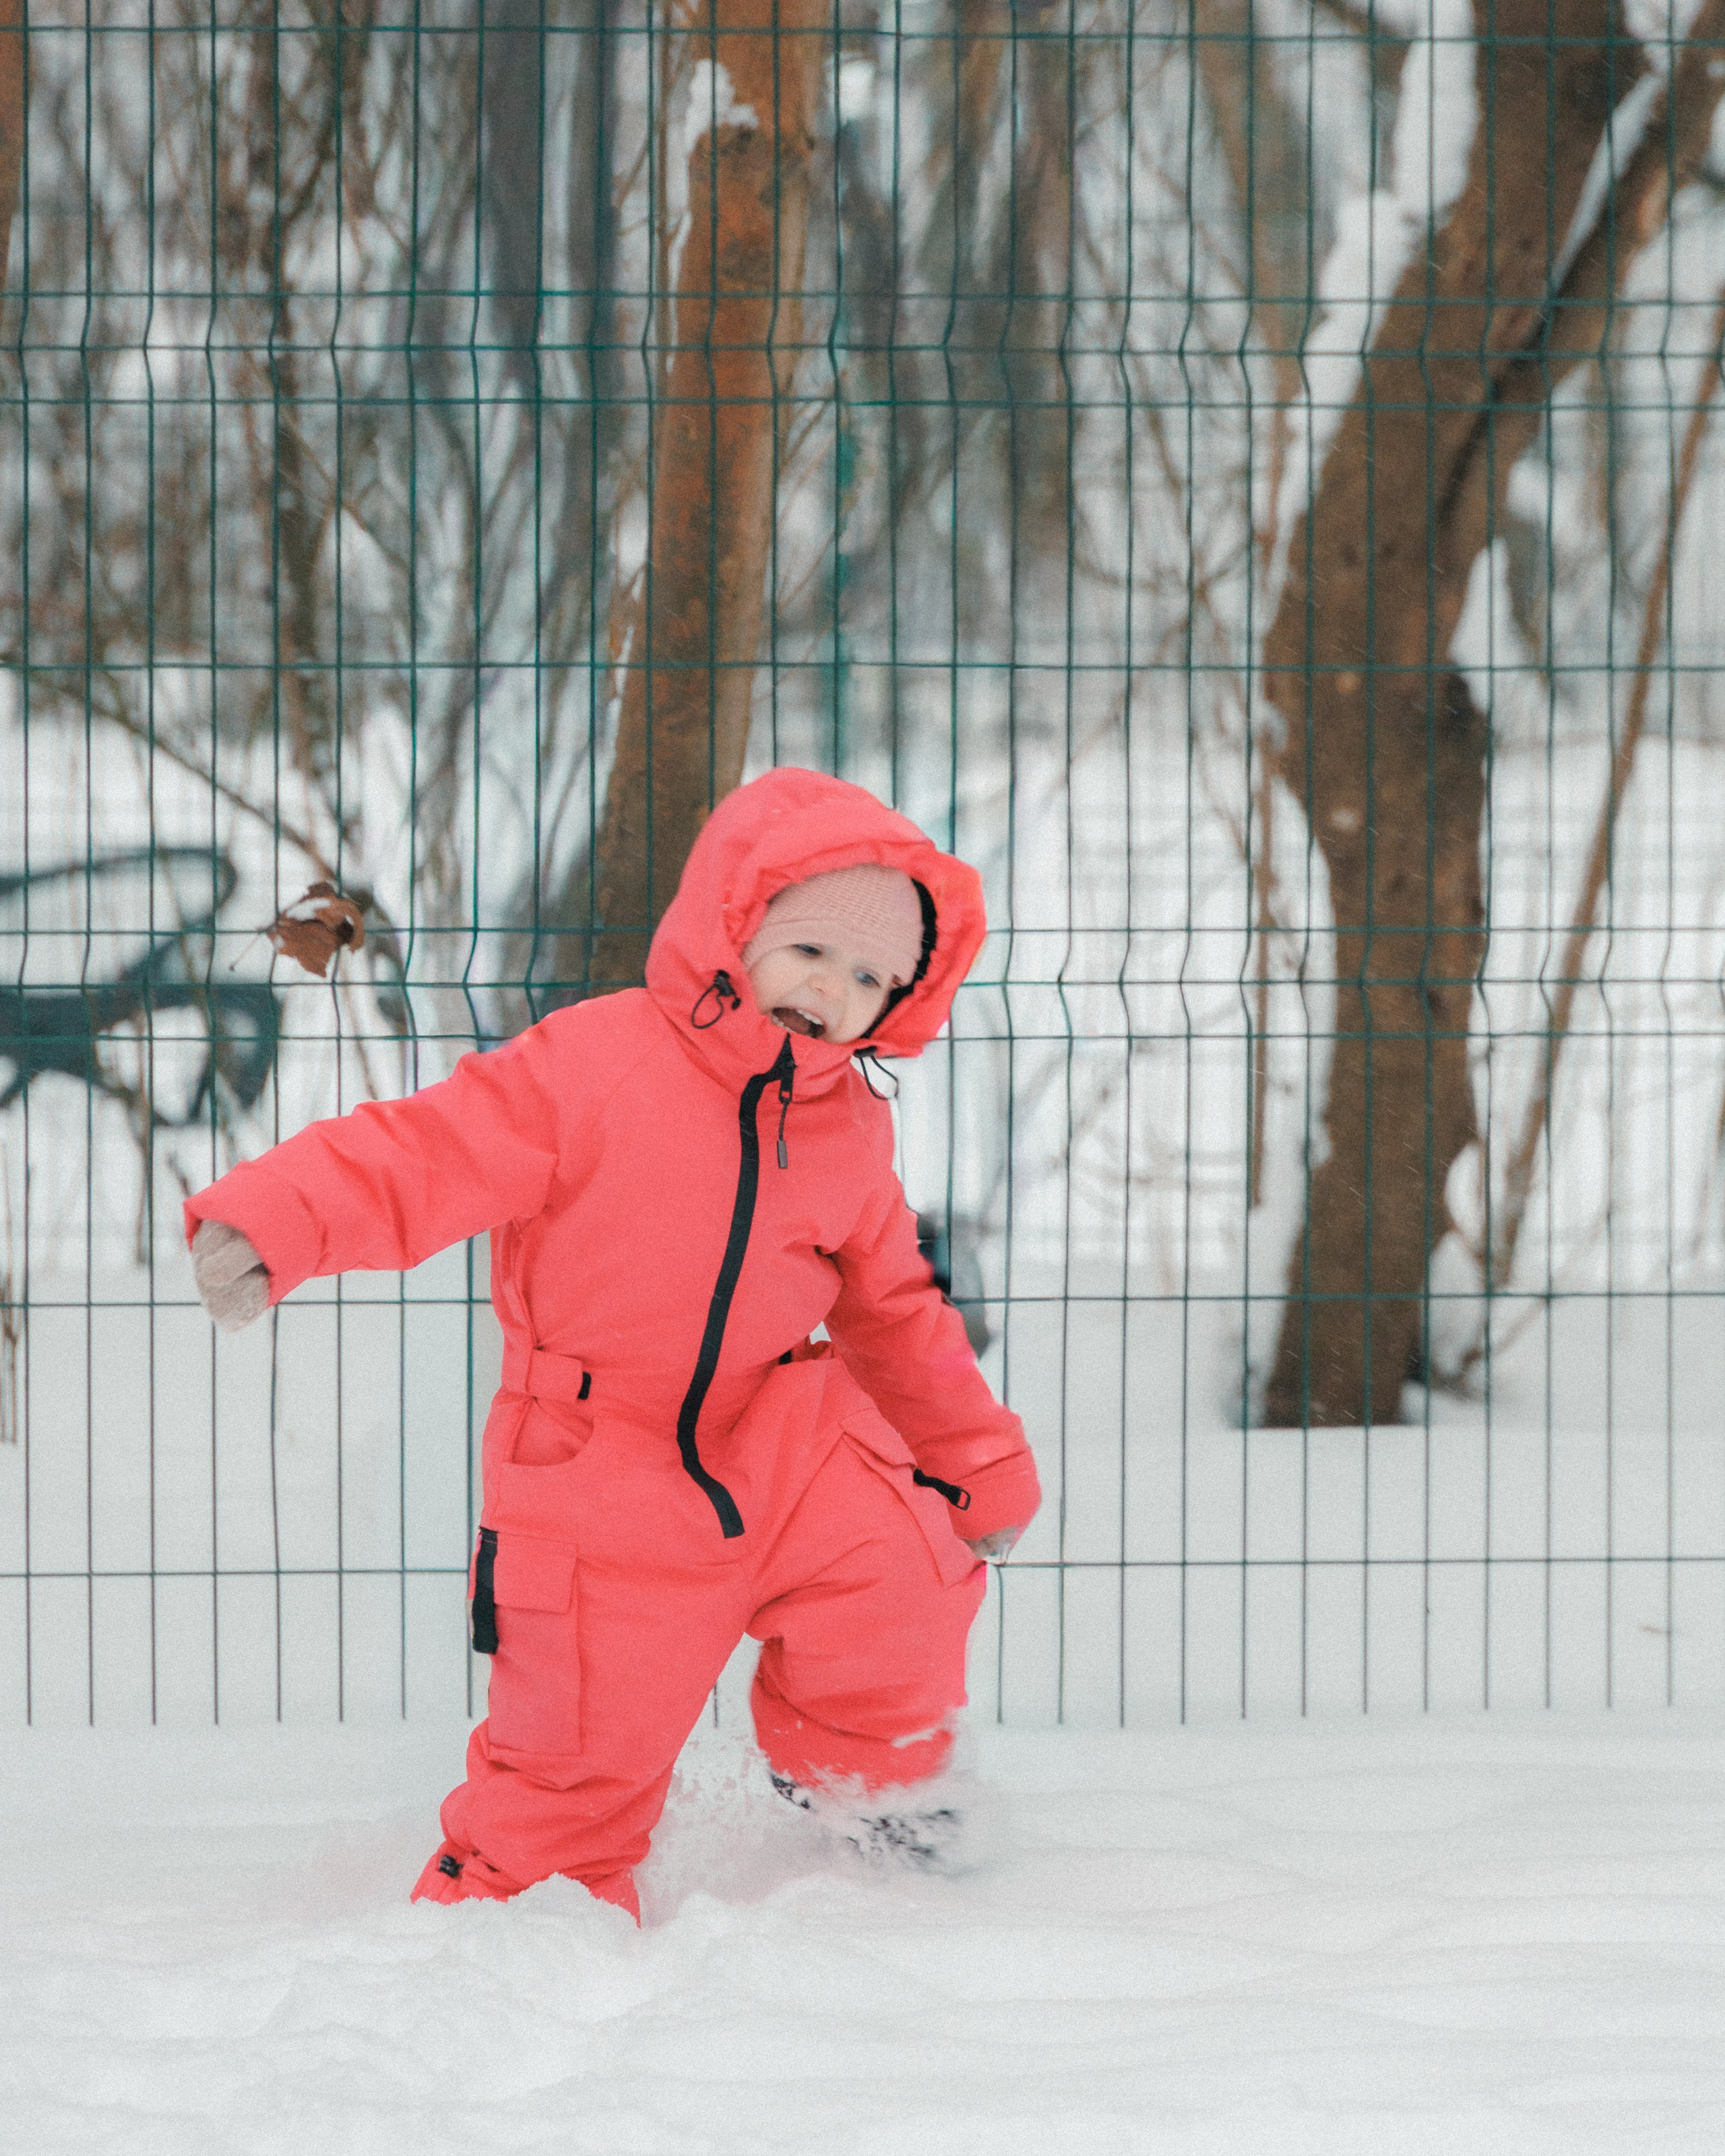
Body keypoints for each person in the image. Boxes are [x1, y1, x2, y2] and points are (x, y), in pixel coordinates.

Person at [186, 767, 1040, 1920]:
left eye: (869, 978)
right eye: (810, 954)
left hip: (781, 1437)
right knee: (579, 1752)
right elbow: (428, 1151)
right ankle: (525, 1916)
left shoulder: (848, 1127)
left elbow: (897, 1313)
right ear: (737, 931)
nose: (833, 992)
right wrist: (279, 1219)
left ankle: (873, 1804)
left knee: (902, 1547)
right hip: (604, 1463)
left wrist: (975, 1457)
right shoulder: (595, 1064)